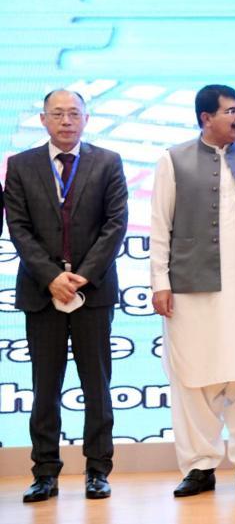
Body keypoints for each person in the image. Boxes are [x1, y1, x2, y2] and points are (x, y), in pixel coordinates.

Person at [150, 84, 235, 497]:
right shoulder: (173, 160)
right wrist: (160, 282)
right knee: (194, 375)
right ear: (206, 118)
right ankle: (199, 466)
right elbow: (160, 226)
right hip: (192, 289)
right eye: (230, 111)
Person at [6, 89, 128, 502]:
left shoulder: (108, 162)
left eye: (74, 113)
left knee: (97, 386)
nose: (66, 121)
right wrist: (51, 277)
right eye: (57, 114)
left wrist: (83, 276)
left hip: (93, 292)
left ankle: (98, 470)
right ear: (42, 119)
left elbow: (115, 224)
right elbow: (18, 227)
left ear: (86, 118)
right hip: (41, 293)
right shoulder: (20, 165)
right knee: (45, 388)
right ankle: (44, 473)